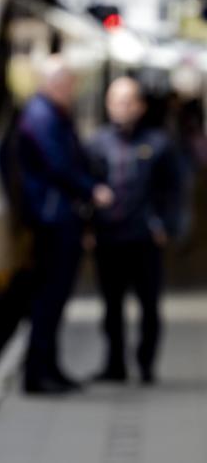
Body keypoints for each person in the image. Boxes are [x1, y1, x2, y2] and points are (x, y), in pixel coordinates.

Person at [14, 57, 114, 394]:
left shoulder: (49, 114)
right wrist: (91, 190)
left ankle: (50, 369)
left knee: (54, 298)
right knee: (49, 297)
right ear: (54, 83)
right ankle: (38, 374)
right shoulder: (42, 117)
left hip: (56, 215)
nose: (73, 90)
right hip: (53, 218)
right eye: (69, 84)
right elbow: (58, 164)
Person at [87, 77, 181, 384]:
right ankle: (115, 364)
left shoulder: (158, 143)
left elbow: (174, 189)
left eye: (128, 102)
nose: (121, 108)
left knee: (149, 306)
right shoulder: (97, 143)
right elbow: (85, 190)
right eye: (116, 101)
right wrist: (88, 228)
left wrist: (166, 225)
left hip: (144, 237)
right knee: (112, 306)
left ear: (140, 106)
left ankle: (146, 364)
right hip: (109, 236)